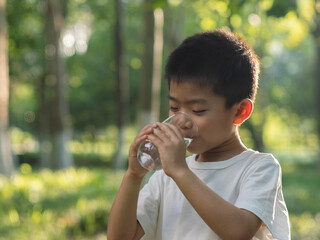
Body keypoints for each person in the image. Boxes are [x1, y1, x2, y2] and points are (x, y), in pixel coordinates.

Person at [107, 29, 290, 240]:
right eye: (174, 108)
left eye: (198, 111)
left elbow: (239, 232)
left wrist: (180, 170)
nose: (182, 120)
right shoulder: (164, 180)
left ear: (240, 111)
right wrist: (133, 176)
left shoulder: (258, 168)